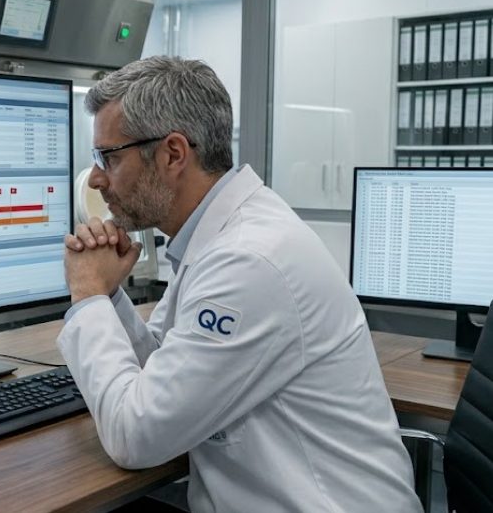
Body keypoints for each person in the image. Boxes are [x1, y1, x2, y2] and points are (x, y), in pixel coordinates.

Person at [58, 56, 420, 512]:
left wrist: (88, 297)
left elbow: (136, 437)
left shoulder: (248, 260)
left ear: (173, 154)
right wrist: (109, 295)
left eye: (108, 157)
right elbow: (165, 366)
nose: (95, 178)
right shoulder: (220, 236)